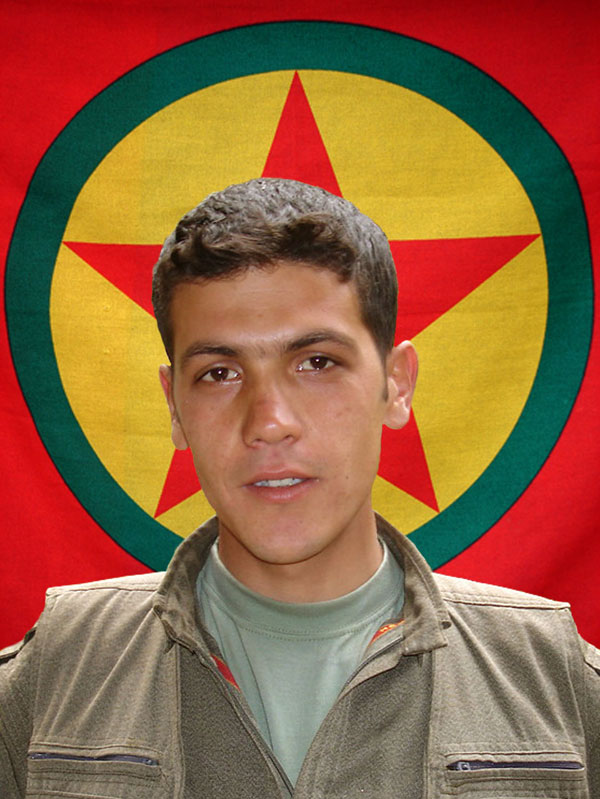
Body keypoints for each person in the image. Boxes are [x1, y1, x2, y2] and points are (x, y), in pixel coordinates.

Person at [1, 178, 599, 798]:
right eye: (220, 373)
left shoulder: (548, 677)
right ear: (174, 406)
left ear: (396, 384)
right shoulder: (61, 672)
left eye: (317, 363)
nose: (269, 422)